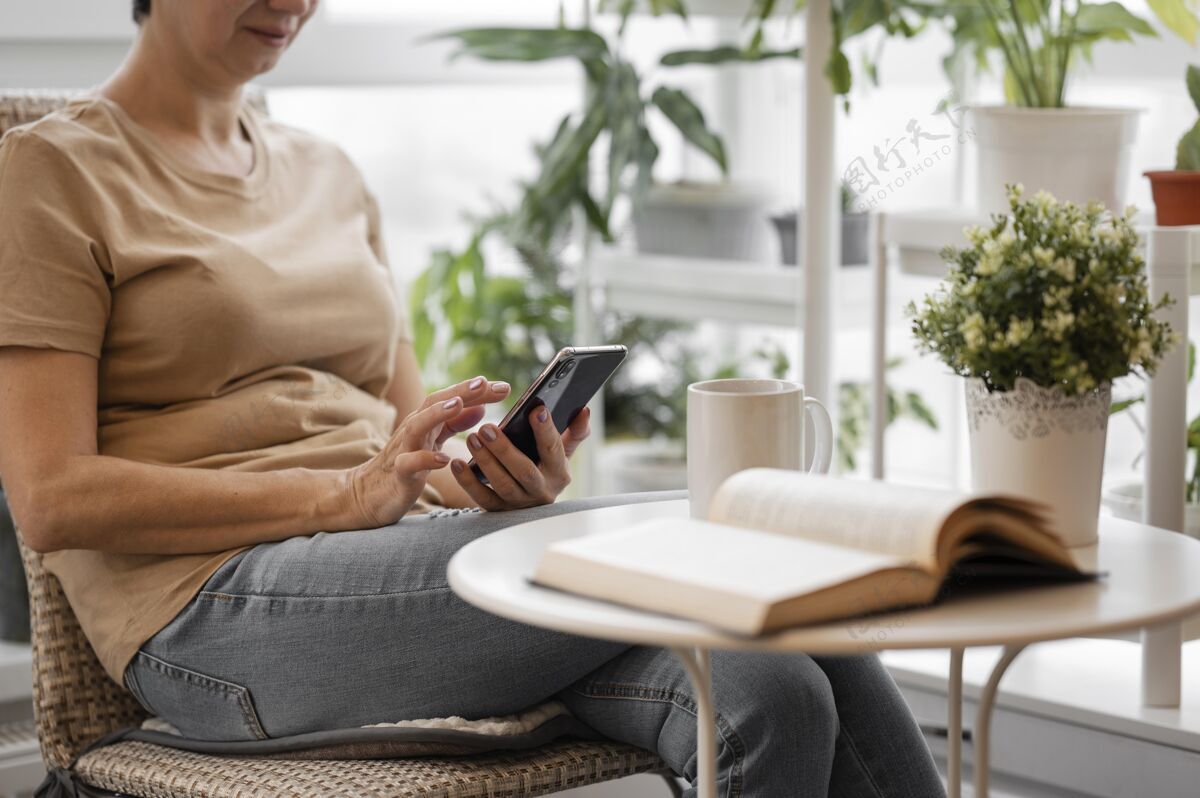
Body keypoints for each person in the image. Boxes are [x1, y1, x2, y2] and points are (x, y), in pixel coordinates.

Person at [0, 2, 945, 795]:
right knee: (743, 556)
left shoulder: (326, 171)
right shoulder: (50, 171)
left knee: (775, 683)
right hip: (210, 609)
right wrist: (341, 499)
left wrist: (495, 482)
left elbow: (417, 465)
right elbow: (50, 497)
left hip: (392, 572)